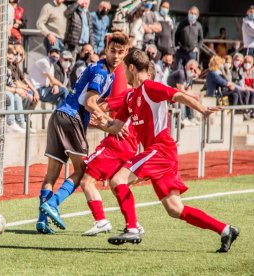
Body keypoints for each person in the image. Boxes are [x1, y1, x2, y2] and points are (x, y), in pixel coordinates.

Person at [94, 49, 240, 253]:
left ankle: (132, 227)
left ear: (132, 68)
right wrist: (102, 123)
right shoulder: (130, 97)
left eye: (125, 69)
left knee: (118, 180)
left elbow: (178, 95)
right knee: (174, 209)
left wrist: (202, 109)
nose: (124, 74)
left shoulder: (150, 87)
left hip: (160, 148)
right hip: (160, 153)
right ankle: (225, 230)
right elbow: (117, 127)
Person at [36, 33, 130, 233]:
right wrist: (109, 121)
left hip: (59, 116)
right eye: (112, 51)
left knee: (52, 172)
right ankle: (53, 204)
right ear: (105, 51)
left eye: (120, 52)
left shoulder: (107, 74)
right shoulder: (101, 72)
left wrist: (103, 120)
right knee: (82, 171)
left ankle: (42, 220)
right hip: (72, 119)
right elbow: (89, 103)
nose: (115, 55)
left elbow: (94, 106)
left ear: (125, 54)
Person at [79, 61, 156, 236]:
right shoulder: (151, 99)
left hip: (117, 144)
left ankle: (100, 221)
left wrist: (96, 116)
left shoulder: (131, 94)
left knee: (85, 179)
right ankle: (133, 223)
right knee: (117, 185)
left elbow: (105, 106)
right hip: (131, 147)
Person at [167, 59, 201, 126]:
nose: (192, 71)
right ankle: (182, 118)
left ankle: (191, 117)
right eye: (191, 68)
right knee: (184, 97)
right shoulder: (181, 73)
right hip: (171, 92)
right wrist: (193, 95)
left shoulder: (190, 76)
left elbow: (189, 90)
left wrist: (194, 96)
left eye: (194, 70)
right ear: (186, 66)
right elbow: (181, 89)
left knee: (190, 97)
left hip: (177, 92)